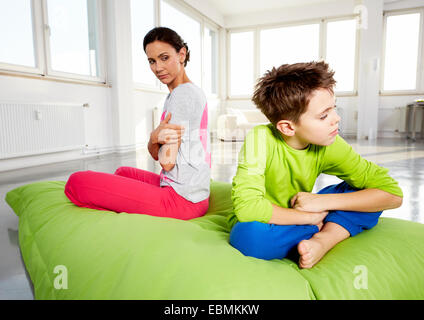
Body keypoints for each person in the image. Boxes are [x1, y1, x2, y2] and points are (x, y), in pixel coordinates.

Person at [228, 61, 403, 268]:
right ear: (288, 127)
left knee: (369, 196)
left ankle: (323, 240)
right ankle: (327, 227)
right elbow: (248, 209)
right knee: (247, 237)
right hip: (271, 221)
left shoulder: (330, 143)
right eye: (324, 115)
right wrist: (308, 218)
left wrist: (322, 203)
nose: (336, 119)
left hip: (309, 211)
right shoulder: (260, 139)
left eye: (334, 110)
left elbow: (392, 194)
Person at [64, 27, 211, 220]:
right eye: (152, 61)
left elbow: (166, 162)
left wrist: (153, 137)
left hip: (181, 200)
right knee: (122, 172)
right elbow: (157, 155)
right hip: (190, 192)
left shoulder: (182, 96)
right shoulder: (184, 92)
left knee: (77, 183)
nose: (158, 68)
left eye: (164, 58)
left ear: (181, 54)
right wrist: (155, 140)